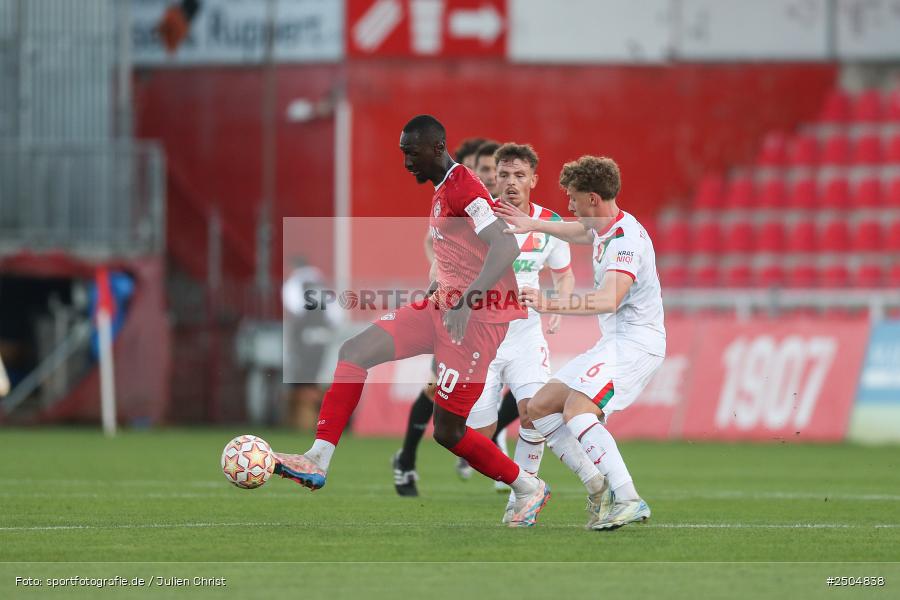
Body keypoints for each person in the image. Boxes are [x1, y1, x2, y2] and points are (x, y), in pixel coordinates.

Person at [275, 115, 552, 528]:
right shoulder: (443, 189)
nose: (406, 163)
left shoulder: (464, 187)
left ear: (437, 148)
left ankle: (528, 486)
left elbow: (505, 245)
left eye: (411, 153)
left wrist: (467, 301)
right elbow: (460, 252)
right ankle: (318, 459)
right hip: (442, 309)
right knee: (354, 351)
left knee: (448, 432)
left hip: (477, 322)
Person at [494, 155, 666, 530]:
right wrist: (532, 223)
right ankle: (598, 483)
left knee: (578, 411)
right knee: (539, 408)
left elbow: (608, 300)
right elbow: (575, 232)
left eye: (572, 197)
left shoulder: (626, 240)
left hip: (637, 345)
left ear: (592, 198)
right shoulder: (603, 228)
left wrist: (548, 302)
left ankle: (628, 497)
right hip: (614, 343)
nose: (568, 205)